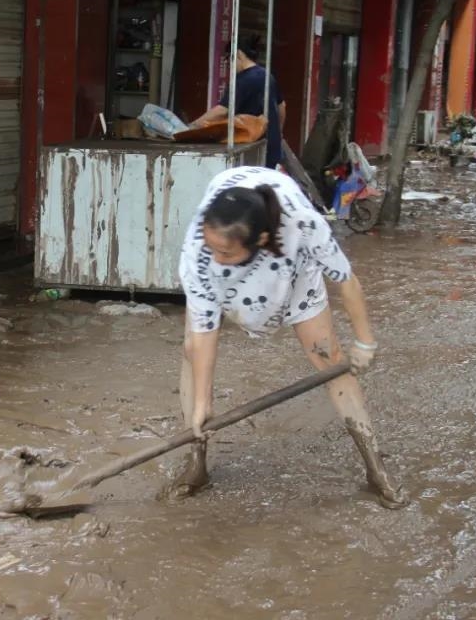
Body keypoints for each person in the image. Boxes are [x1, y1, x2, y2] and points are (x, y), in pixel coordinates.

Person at [173, 166, 409, 509]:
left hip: (293, 269)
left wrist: (365, 342)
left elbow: (346, 280)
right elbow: (204, 333)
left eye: (225, 253)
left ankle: (376, 469)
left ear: (262, 241)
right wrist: (202, 405)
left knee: (330, 358)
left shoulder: (304, 224)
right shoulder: (200, 252)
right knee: (192, 353)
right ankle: (196, 463)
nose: (215, 257)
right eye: (213, 249)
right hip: (222, 278)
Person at [191, 37, 287, 169]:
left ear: (239, 54)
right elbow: (282, 107)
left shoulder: (242, 80)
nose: (230, 67)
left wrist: (194, 125)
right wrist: (278, 133)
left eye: (230, 60)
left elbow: (222, 111)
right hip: (272, 149)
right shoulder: (267, 75)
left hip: (252, 152)